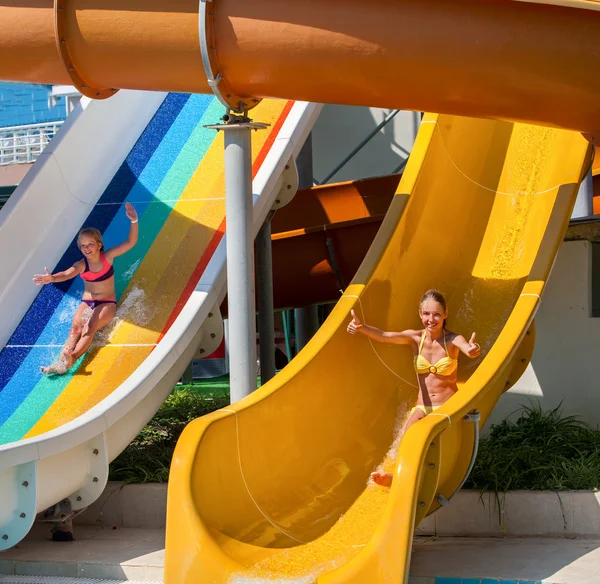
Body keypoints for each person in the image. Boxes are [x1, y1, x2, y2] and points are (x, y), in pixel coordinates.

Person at [346, 289, 481, 487]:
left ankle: (415, 479)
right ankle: (399, 478)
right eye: (426, 313)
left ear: (445, 314)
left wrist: (472, 350)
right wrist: (361, 327)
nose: (431, 319)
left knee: (430, 445)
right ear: (420, 314)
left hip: (447, 406)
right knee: (407, 440)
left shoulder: (452, 340)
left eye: (436, 314)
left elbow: (467, 349)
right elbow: (384, 336)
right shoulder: (415, 339)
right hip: (423, 407)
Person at [33, 203, 139, 374]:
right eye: (83, 246)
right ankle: (60, 363)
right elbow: (67, 273)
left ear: (99, 245)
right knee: (75, 329)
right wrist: (52, 278)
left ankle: (72, 358)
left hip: (106, 303)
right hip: (88, 301)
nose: (86, 248)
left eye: (90, 244)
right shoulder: (82, 265)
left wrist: (134, 221)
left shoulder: (108, 257)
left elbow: (131, 242)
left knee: (90, 326)